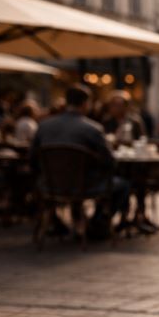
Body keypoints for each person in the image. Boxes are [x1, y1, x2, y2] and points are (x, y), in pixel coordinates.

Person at [30, 85, 130, 240]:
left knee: (79, 178)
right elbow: (109, 162)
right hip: (84, 185)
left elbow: (33, 157)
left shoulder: (44, 126)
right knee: (123, 185)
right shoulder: (92, 129)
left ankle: (60, 223)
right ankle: (98, 223)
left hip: (48, 184)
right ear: (85, 103)